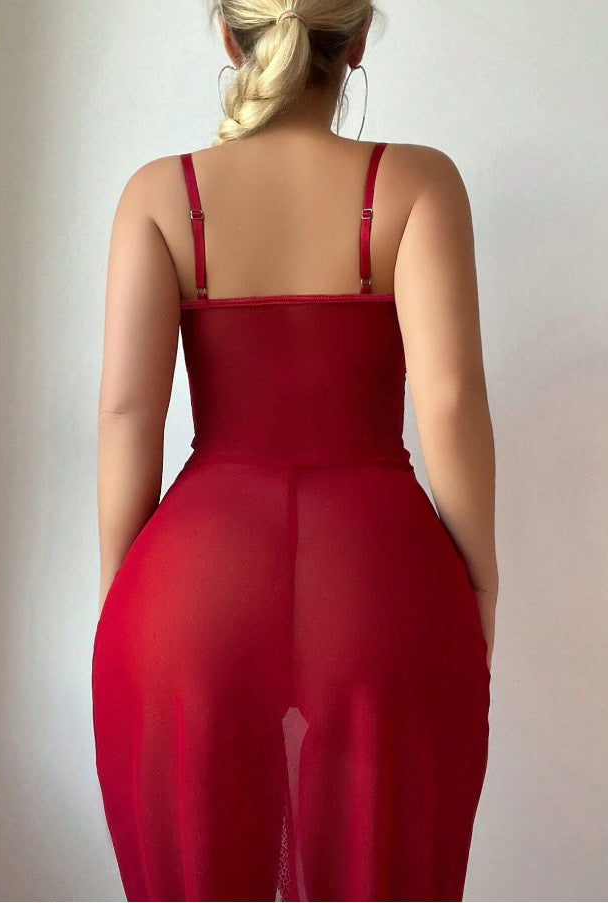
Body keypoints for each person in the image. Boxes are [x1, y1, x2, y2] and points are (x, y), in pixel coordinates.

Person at [92, 1, 499, 900]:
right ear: (355, 40)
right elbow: (449, 401)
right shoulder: (418, 183)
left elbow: (125, 412)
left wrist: (121, 598)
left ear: (229, 36)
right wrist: (479, 582)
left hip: (190, 586)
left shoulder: (159, 194)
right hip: (381, 580)